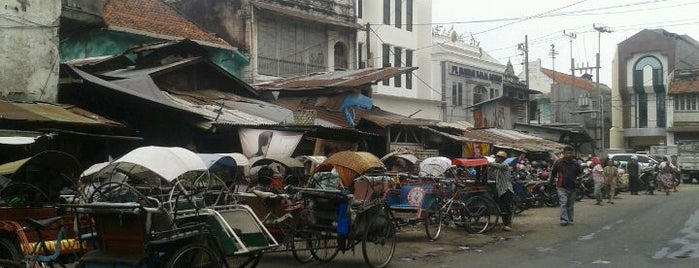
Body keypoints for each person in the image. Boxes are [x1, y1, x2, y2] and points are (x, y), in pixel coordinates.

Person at [550, 146, 582, 226]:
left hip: (572, 187)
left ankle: (570, 219)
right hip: (561, 186)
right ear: (564, 153)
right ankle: (564, 220)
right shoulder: (558, 162)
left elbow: (579, 173)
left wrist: (578, 181)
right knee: (563, 202)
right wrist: (550, 182)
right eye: (567, 153)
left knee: (570, 205)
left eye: (570, 153)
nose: (569, 155)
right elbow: (553, 173)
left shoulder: (576, 163)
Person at [488, 151, 514, 231]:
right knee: (502, 208)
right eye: (496, 157)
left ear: (502, 159)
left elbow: (494, 165)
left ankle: (508, 224)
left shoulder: (504, 165)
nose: (496, 159)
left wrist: (486, 162)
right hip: (500, 190)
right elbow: (491, 174)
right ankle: (505, 224)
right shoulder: (497, 168)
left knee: (506, 207)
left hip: (507, 189)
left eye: (498, 157)